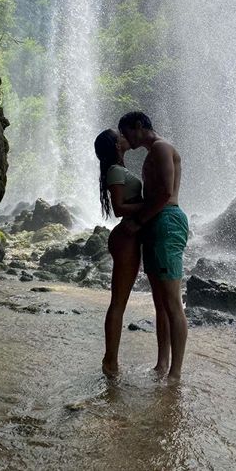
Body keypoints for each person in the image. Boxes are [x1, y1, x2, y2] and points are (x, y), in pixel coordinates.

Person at [118, 111, 189, 382]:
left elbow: (165, 193)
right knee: (160, 303)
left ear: (139, 126)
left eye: (126, 133)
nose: (125, 138)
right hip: (156, 223)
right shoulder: (152, 152)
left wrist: (138, 222)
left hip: (166, 221)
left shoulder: (161, 148)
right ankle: (162, 364)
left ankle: (175, 372)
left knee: (172, 303)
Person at [94, 128, 143, 377]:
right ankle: (110, 361)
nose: (124, 137)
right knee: (118, 303)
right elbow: (119, 209)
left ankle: (111, 360)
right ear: (115, 146)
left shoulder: (118, 169)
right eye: (119, 136)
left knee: (119, 302)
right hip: (125, 239)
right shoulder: (115, 170)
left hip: (128, 238)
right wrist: (153, 201)